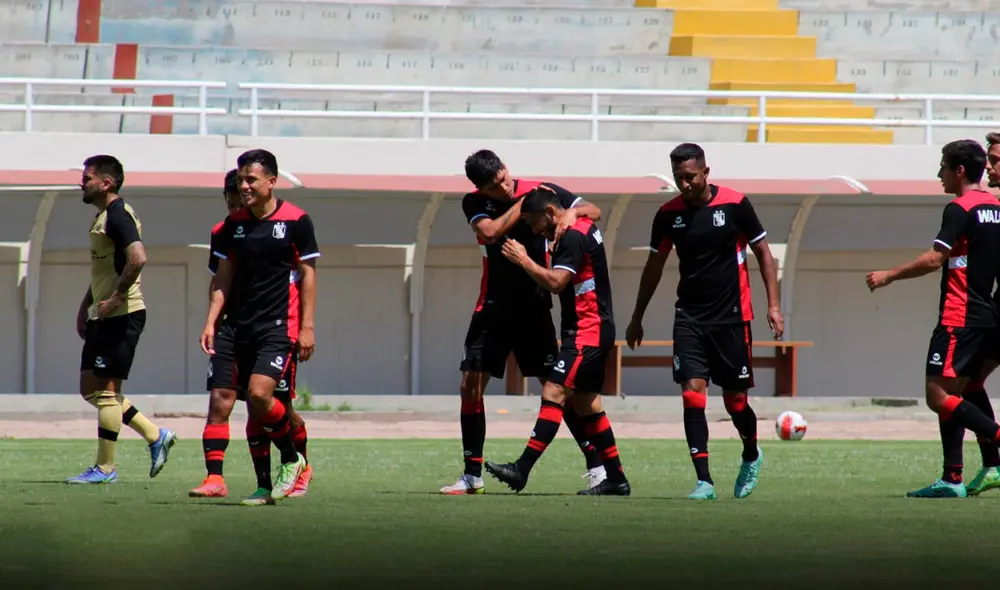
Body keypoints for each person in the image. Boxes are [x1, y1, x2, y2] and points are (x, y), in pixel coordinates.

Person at [439, 149, 609, 495]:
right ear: (481, 189)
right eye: (494, 186)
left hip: (534, 307)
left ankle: (598, 467)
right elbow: (489, 232)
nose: (504, 186)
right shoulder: (474, 204)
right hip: (493, 307)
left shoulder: (543, 189)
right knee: (470, 385)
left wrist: (571, 212)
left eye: (504, 177)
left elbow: (596, 210)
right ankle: (472, 475)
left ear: (505, 167)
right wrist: (522, 203)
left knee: (561, 388)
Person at [625, 143, 783, 501]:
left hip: (732, 318)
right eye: (679, 178)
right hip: (690, 318)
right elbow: (654, 268)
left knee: (735, 402)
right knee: (692, 394)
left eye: (691, 177)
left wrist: (774, 306)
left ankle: (751, 453)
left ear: (706, 172)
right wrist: (637, 316)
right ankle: (704, 481)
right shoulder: (667, 215)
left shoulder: (735, 204)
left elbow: (764, 254)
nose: (685, 184)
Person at [867, 139, 1000, 498]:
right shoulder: (996, 207)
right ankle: (952, 478)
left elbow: (933, 259)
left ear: (959, 171)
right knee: (959, 392)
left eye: (942, 167)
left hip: (959, 315)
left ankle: (995, 442)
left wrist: (889, 275)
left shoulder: (959, 208)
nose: (939, 174)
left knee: (937, 395)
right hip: (987, 313)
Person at [484, 188, 630, 495]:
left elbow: (556, 282)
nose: (534, 230)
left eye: (535, 222)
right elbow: (590, 212)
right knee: (587, 404)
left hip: (587, 330)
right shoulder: (581, 225)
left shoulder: (572, 237)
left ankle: (521, 469)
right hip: (591, 328)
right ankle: (616, 478)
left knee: (554, 390)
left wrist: (523, 260)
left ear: (550, 213)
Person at [200, 149, 319, 502]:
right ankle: (233, 481)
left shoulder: (297, 222)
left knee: (260, 396)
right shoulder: (229, 228)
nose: (244, 186)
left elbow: (309, 274)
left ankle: (293, 461)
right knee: (223, 399)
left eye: (250, 180)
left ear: (271, 181)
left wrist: (307, 327)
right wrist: (210, 322)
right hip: (235, 328)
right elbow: (222, 278)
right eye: (240, 181)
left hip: (277, 327)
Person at [66, 154, 177, 484]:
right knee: (91, 388)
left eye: (86, 178)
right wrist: (86, 304)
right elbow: (105, 268)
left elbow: (137, 257)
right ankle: (156, 435)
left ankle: (105, 468)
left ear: (106, 182)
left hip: (122, 314)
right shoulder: (102, 216)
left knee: (108, 393)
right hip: (101, 314)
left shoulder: (118, 214)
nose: (80, 183)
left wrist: (115, 298)